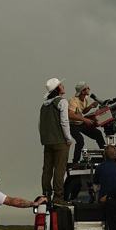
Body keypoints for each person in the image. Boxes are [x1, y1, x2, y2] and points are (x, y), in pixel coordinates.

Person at [39, 77, 73, 205]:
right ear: (58, 88)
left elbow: (40, 124)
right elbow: (64, 122)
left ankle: (45, 194)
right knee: (60, 169)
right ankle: (58, 197)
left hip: (47, 141)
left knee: (47, 169)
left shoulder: (44, 105)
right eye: (61, 85)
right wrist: (68, 138)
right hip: (60, 141)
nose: (63, 86)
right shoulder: (62, 102)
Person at [68, 82, 106, 165]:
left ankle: (105, 157)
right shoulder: (73, 101)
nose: (89, 89)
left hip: (80, 123)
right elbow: (70, 114)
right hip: (72, 125)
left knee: (98, 134)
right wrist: (85, 120)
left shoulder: (85, 99)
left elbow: (83, 111)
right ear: (82, 91)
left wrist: (91, 106)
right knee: (80, 141)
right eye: (87, 88)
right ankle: (75, 162)